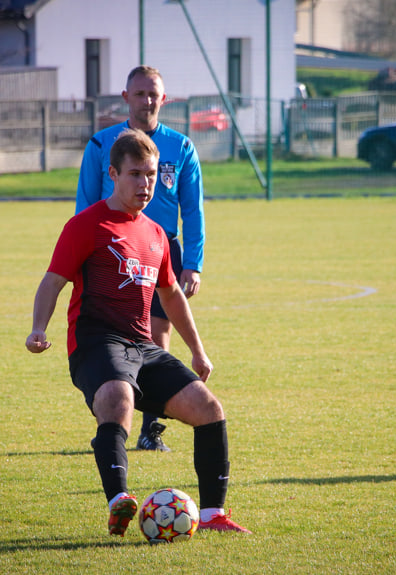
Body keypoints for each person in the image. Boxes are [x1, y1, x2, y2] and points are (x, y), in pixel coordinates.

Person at [27, 129, 248, 536]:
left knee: (209, 409)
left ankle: (214, 514)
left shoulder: (156, 234)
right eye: (135, 174)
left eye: (150, 175)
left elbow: (173, 295)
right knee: (117, 397)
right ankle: (119, 501)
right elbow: (52, 282)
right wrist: (38, 329)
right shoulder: (85, 226)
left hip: (142, 346)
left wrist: (198, 352)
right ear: (112, 173)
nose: (144, 184)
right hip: (96, 343)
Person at [77, 65, 206, 452]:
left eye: (154, 95)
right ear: (126, 98)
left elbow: (193, 209)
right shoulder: (101, 145)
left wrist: (193, 263)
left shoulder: (181, 147)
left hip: (162, 248)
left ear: (163, 99)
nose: (147, 101)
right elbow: (85, 204)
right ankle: (111, 424)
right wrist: (84, 254)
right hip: (111, 250)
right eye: (140, 94)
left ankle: (151, 432)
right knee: (110, 338)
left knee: (156, 339)